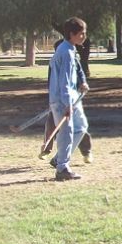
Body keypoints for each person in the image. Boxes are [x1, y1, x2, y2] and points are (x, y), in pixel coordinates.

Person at [48, 17, 90, 181]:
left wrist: (81, 83)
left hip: (72, 97)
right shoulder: (65, 52)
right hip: (63, 100)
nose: (84, 36)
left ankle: (59, 159)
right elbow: (64, 81)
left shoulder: (70, 49)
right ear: (72, 34)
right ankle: (62, 169)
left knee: (81, 127)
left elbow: (72, 76)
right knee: (67, 132)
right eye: (81, 34)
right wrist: (67, 103)